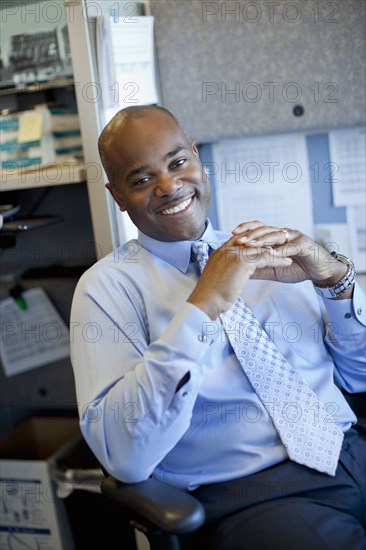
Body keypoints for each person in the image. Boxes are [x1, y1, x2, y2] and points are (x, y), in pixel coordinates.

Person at [70, 105, 366, 549]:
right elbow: (125, 455)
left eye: (177, 163)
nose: (169, 186)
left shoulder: (264, 248)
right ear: (117, 196)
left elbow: (358, 376)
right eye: (142, 178)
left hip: (351, 450)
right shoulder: (106, 289)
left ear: (197, 158)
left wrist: (332, 280)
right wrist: (204, 304)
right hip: (254, 497)